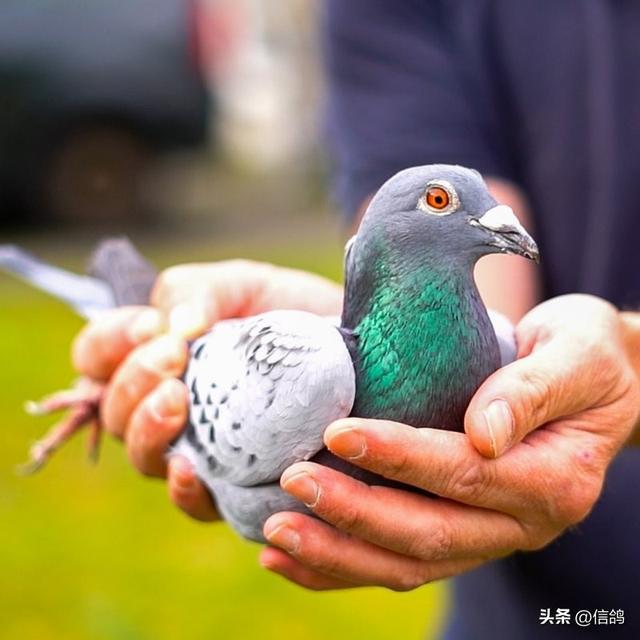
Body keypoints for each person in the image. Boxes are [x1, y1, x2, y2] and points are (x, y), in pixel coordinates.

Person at [70, 1, 640, 638]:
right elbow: (402, 219)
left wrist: (627, 361)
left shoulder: (499, 347)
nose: (501, 227)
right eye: (442, 201)